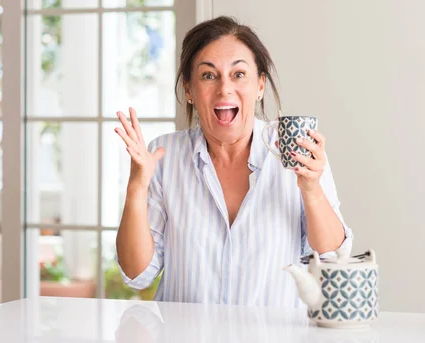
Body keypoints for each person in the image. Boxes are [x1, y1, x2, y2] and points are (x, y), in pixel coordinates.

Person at [113, 16, 353, 308]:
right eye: (208, 76)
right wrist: (136, 187)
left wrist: (312, 188)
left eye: (239, 74)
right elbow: (137, 274)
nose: (225, 88)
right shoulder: (164, 153)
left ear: (260, 85)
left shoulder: (296, 150)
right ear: (189, 90)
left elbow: (331, 256)